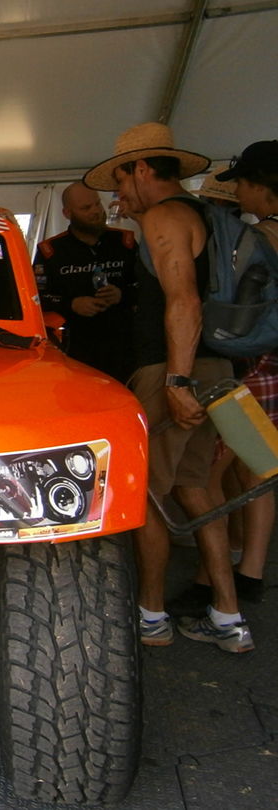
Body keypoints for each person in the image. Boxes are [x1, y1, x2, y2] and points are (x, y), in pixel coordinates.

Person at [84, 122, 253, 653]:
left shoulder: (165, 216)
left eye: (120, 180)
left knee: (146, 493)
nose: (119, 194)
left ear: (141, 169)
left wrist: (176, 381)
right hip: (213, 366)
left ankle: (151, 615)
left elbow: (184, 300)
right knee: (196, 487)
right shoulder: (208, 215)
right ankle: (228, 617)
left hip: (173, 369)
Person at [200, 140, 278, 603]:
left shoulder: (262, 236)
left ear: (261, 186)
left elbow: (238, 309)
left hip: (258, 363)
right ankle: (250, 569)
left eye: (242, 186)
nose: (239, 196)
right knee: (260, 468)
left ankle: (213, 577)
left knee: (209, 472)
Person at [34, 182, 138, 381]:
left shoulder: (125, 242)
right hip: (74, 348)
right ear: (67, 213)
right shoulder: (51, 251)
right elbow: (36, 297)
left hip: (124, 346)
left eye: (97, 204)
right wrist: (72, 304)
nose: (96, 211)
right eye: (86, 208)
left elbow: (148, 289)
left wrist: (121, 294)